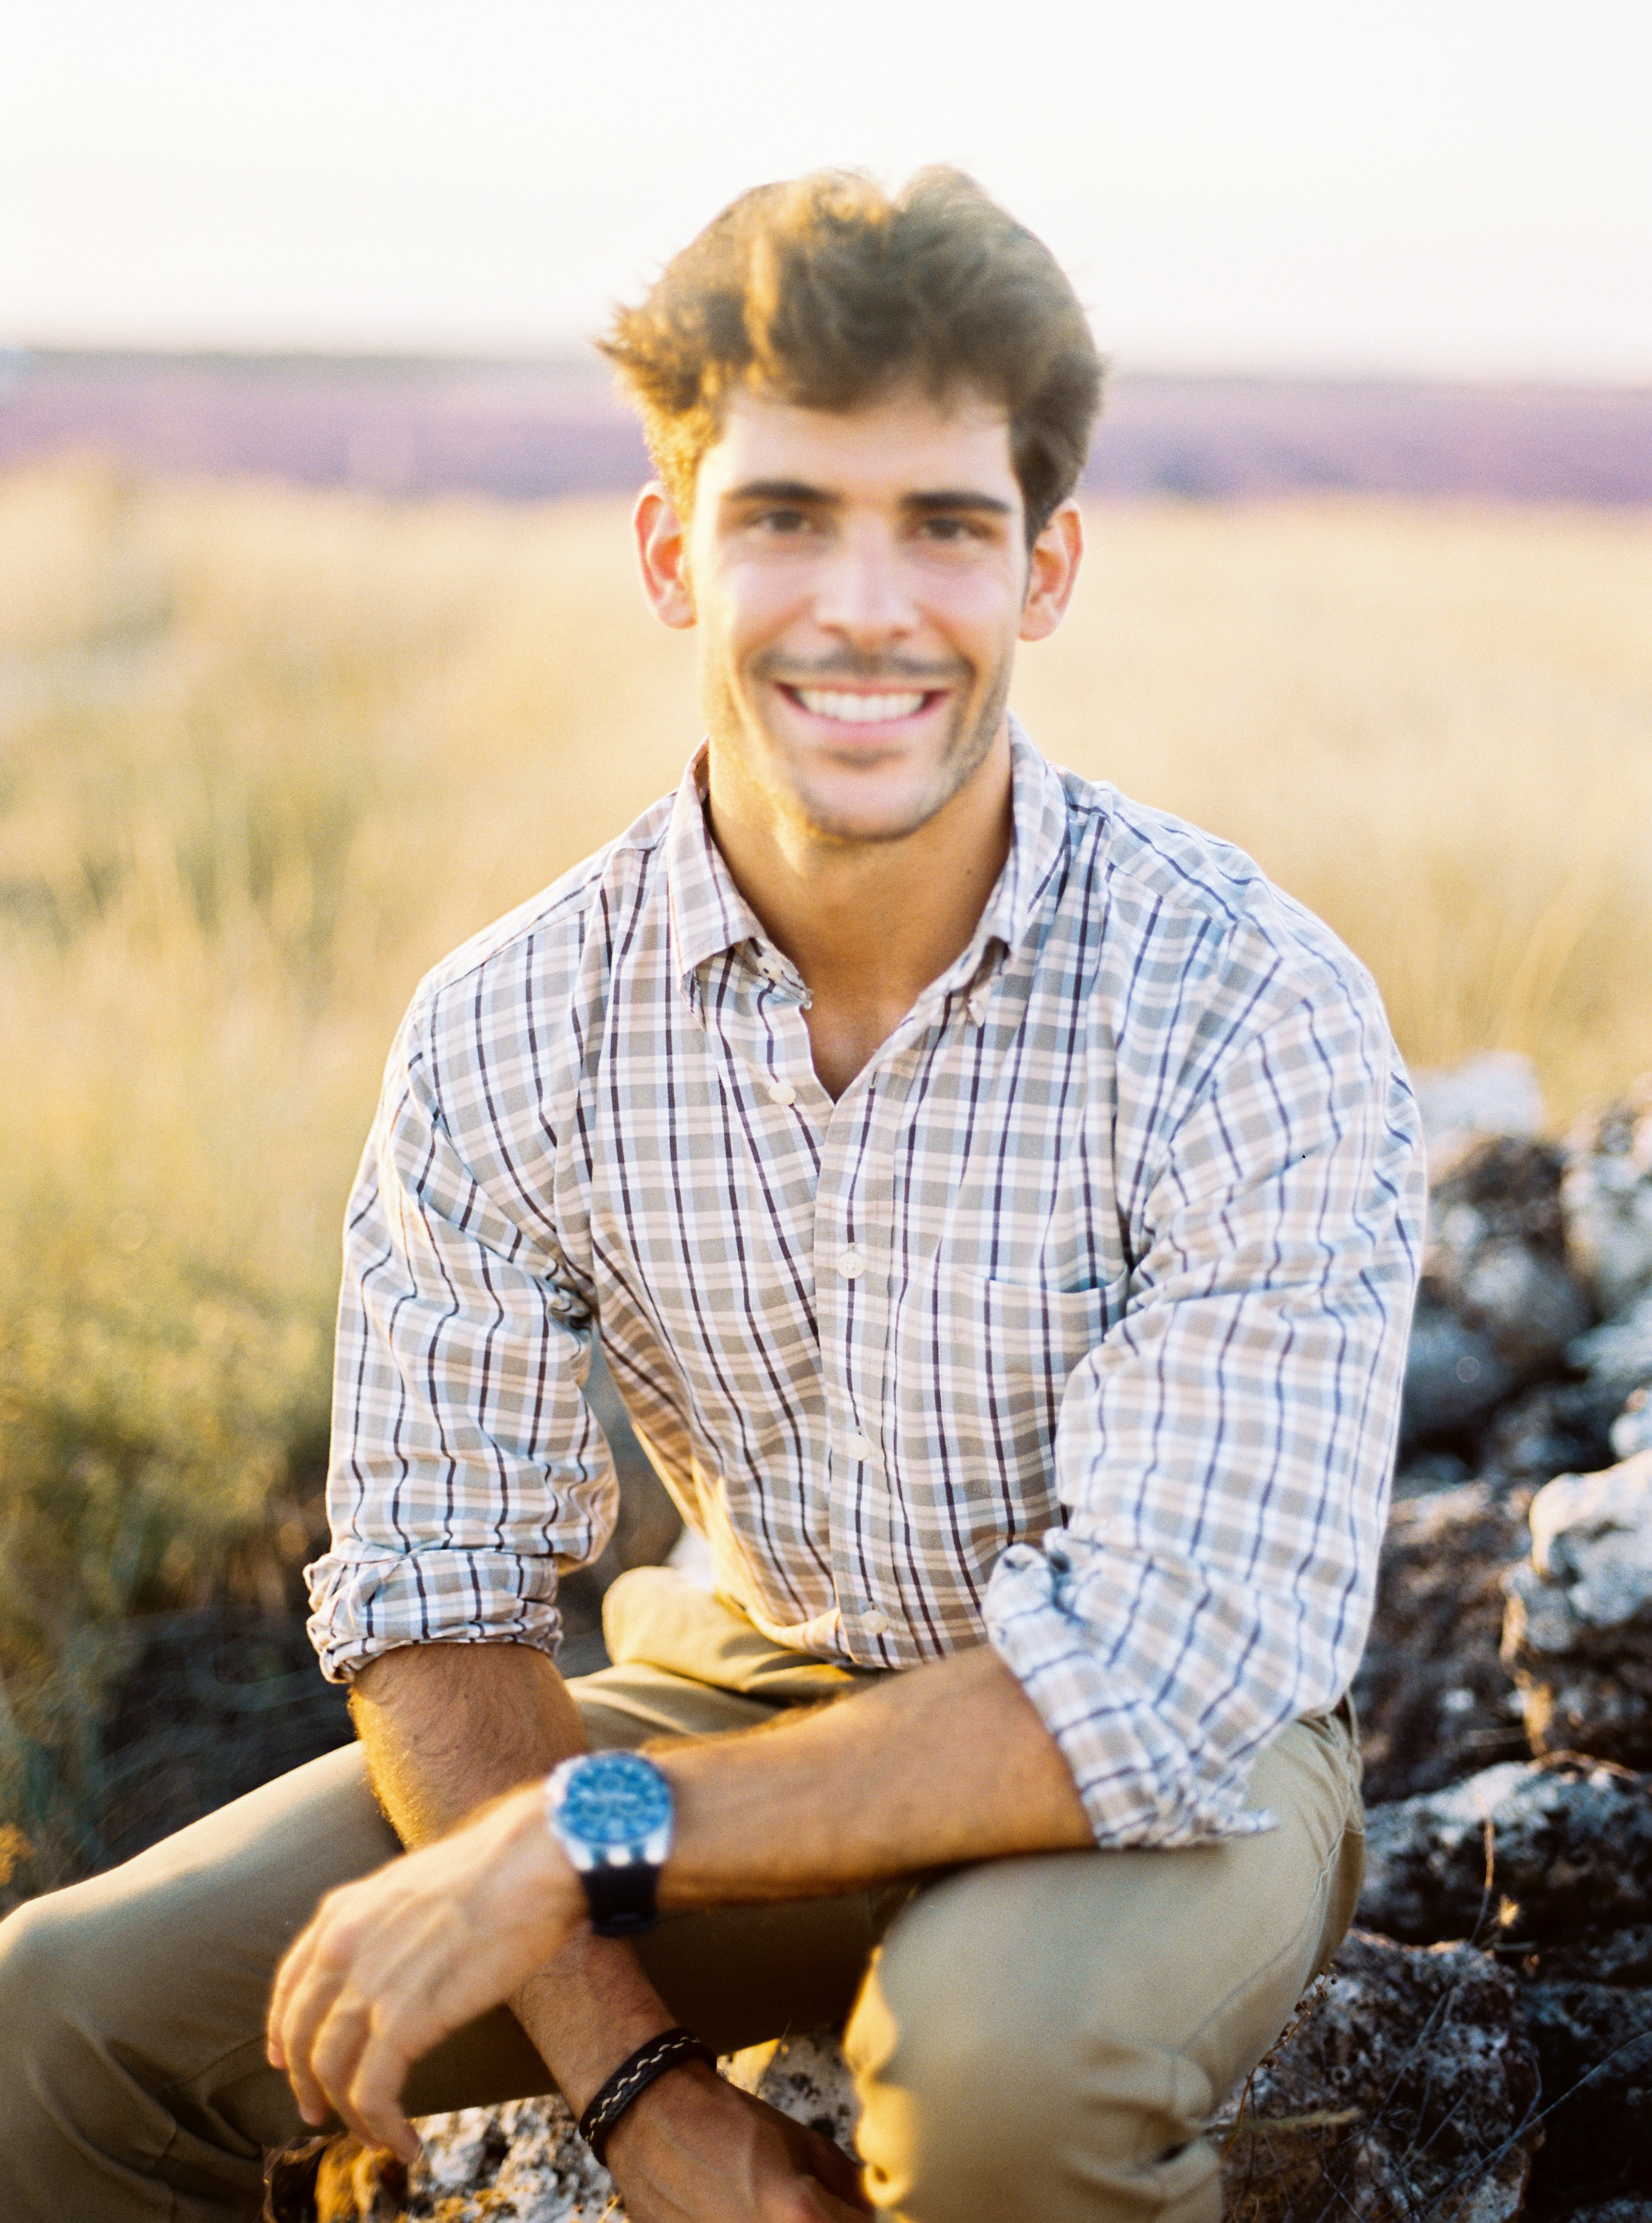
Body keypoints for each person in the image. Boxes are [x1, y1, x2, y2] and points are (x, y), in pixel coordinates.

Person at [0, 167, 1422, 2223]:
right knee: (63, 2015)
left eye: (942, 522)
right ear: (675, 550)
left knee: (1003, 2079)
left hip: (1157, 1777)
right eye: (786, 518)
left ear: (1046, 567)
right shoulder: (506, 1029)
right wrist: (647, 2089)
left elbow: (1164, 1667)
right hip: (736, 1701)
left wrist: (579, 1833)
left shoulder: (1245, 1006)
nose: (865, 604)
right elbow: (439, 1594)